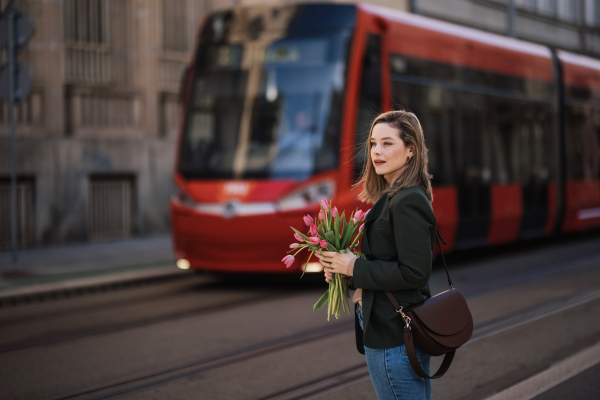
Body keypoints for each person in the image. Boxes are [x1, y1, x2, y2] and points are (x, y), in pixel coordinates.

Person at [316, 110, 436, 400]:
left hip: (394, 335)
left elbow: (414, 273)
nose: (376, 152)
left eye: (387, 143)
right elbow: (387, 262)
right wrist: (344, 270)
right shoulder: (394, 196)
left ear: (411, 151)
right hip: (390, 332)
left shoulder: (407, 200)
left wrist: (355, 267)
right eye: (372, 143)